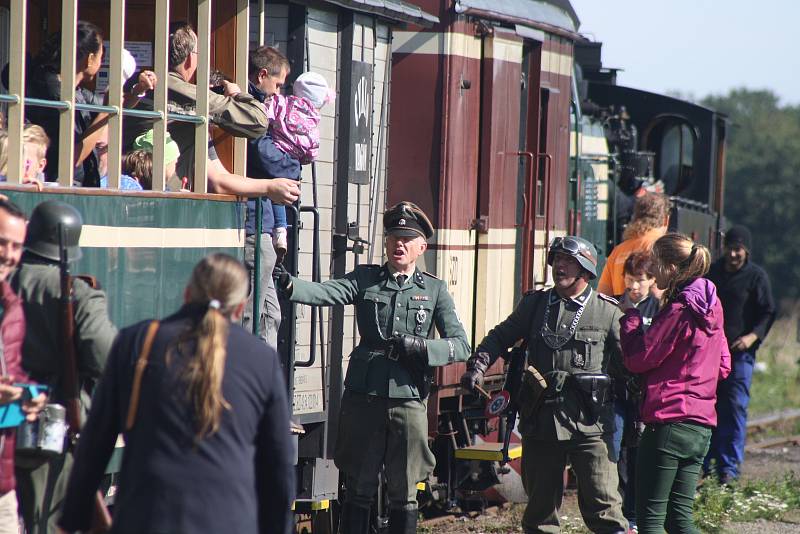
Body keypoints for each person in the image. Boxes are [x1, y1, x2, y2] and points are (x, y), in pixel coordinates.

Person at [58, 253, 295, 534]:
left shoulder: (137, 342)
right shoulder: (261, 360)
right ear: (241, 306)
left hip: (148, 518)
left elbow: (95, 443)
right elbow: (277, 467)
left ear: (186, 293)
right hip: (230, 520)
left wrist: (71, 519)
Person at [275, 201, 470, 534]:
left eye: (407, 238)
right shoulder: (367, 279)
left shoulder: (434, 290)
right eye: (394, 236)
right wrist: (291, 285)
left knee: (404, 491)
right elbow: (329, 291)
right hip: (364, 396)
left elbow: (461, 344)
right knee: (358, 486)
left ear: (422, 247)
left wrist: (423, 348)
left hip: (408, 399)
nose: (399, 244)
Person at [461, 236, 627, 534]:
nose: (559, 266)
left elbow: (629, 368)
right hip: (542, 422)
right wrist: (479, 365)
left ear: (586, 270)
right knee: (539, 513)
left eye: (569, 261)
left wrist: (639, 413)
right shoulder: (535, 305)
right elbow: (500, 336)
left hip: (590, 425)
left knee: (604, 508)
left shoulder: (608, 312)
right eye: (556, 260)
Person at [10, 200, 117, 534]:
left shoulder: (8, 281)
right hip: (52, 426)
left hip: (7, 420)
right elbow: (106, 359)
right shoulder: (79, 294)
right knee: (48, 521)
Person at [619, 233, 731, 534]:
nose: (652, 272)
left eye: (656, 263)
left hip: (668, 421)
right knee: (680, 521)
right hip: (701, 425)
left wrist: (630, 319)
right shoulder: (712, 307)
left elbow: (639, 358)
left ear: (672, 267)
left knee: (651, 521)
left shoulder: (678, 310)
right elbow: (723, 366)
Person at [122, 23, 299, 206]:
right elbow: (257, 121)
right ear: (191, 59)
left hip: (121, 198)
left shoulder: (132, 87)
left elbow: (217, 179)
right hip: (162, 206)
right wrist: (238, 94)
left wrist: (270, 187)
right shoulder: (190, 96)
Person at [25, 21, 156, 186]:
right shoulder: (52, 92)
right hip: (60, 188)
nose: (102, 62)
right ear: (90, 59)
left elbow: (111, 105)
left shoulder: (75, 91)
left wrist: (138, 90)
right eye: (101, 55)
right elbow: (73, 157)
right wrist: (108, 111)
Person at [703, 225, 775, 484]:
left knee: (734, 409)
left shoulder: (756, 277)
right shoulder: (712, 273)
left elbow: (768, 311)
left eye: (739, 250)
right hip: (710, 353)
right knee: (706, 407)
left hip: (739, 354)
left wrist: (752, 337)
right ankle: (705, 464)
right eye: (730, 248)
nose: (733, 254)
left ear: (746, 251)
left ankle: (729, 469)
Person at [0, 199, 46, 534]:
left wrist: (29, 396)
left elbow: (12, 372)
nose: (9, 254)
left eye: (17, 246)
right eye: (2, 242)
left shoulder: (12, 306)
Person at [244, 45, 294, 349]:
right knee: (252, 314)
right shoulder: (249, 108)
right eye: (276, 85)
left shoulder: (258, 105)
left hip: (261, 219)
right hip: (253, 220)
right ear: (262, 74)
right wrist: (294, 165)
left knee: (270, 315)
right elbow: (268, 159)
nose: (277, 93)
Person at [611, 251, 660, 533]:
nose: (634, 287)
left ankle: (633, 515)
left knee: (638, 454)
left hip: (645, 396)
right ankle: (615, 513)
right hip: (616, 391)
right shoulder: (614, 307)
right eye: (630, 280)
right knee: (614, 450)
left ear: (652, 280)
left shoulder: (661, 309)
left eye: (641, 280)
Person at [267, 70, 334, 259]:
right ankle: (281, 230)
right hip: (290, 164)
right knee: (280, 196)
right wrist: (301, 158)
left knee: (270, 192)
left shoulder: (282, 103)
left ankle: (278, 228)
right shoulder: (313, 121)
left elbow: (266, 115)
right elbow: (312, 152)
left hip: (273, 151)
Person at [598, 192, 671, 297]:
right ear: (666, 220)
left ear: (635, 218)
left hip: (618, 311)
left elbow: (603, 295)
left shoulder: (618, 251)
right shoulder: (663, 248)